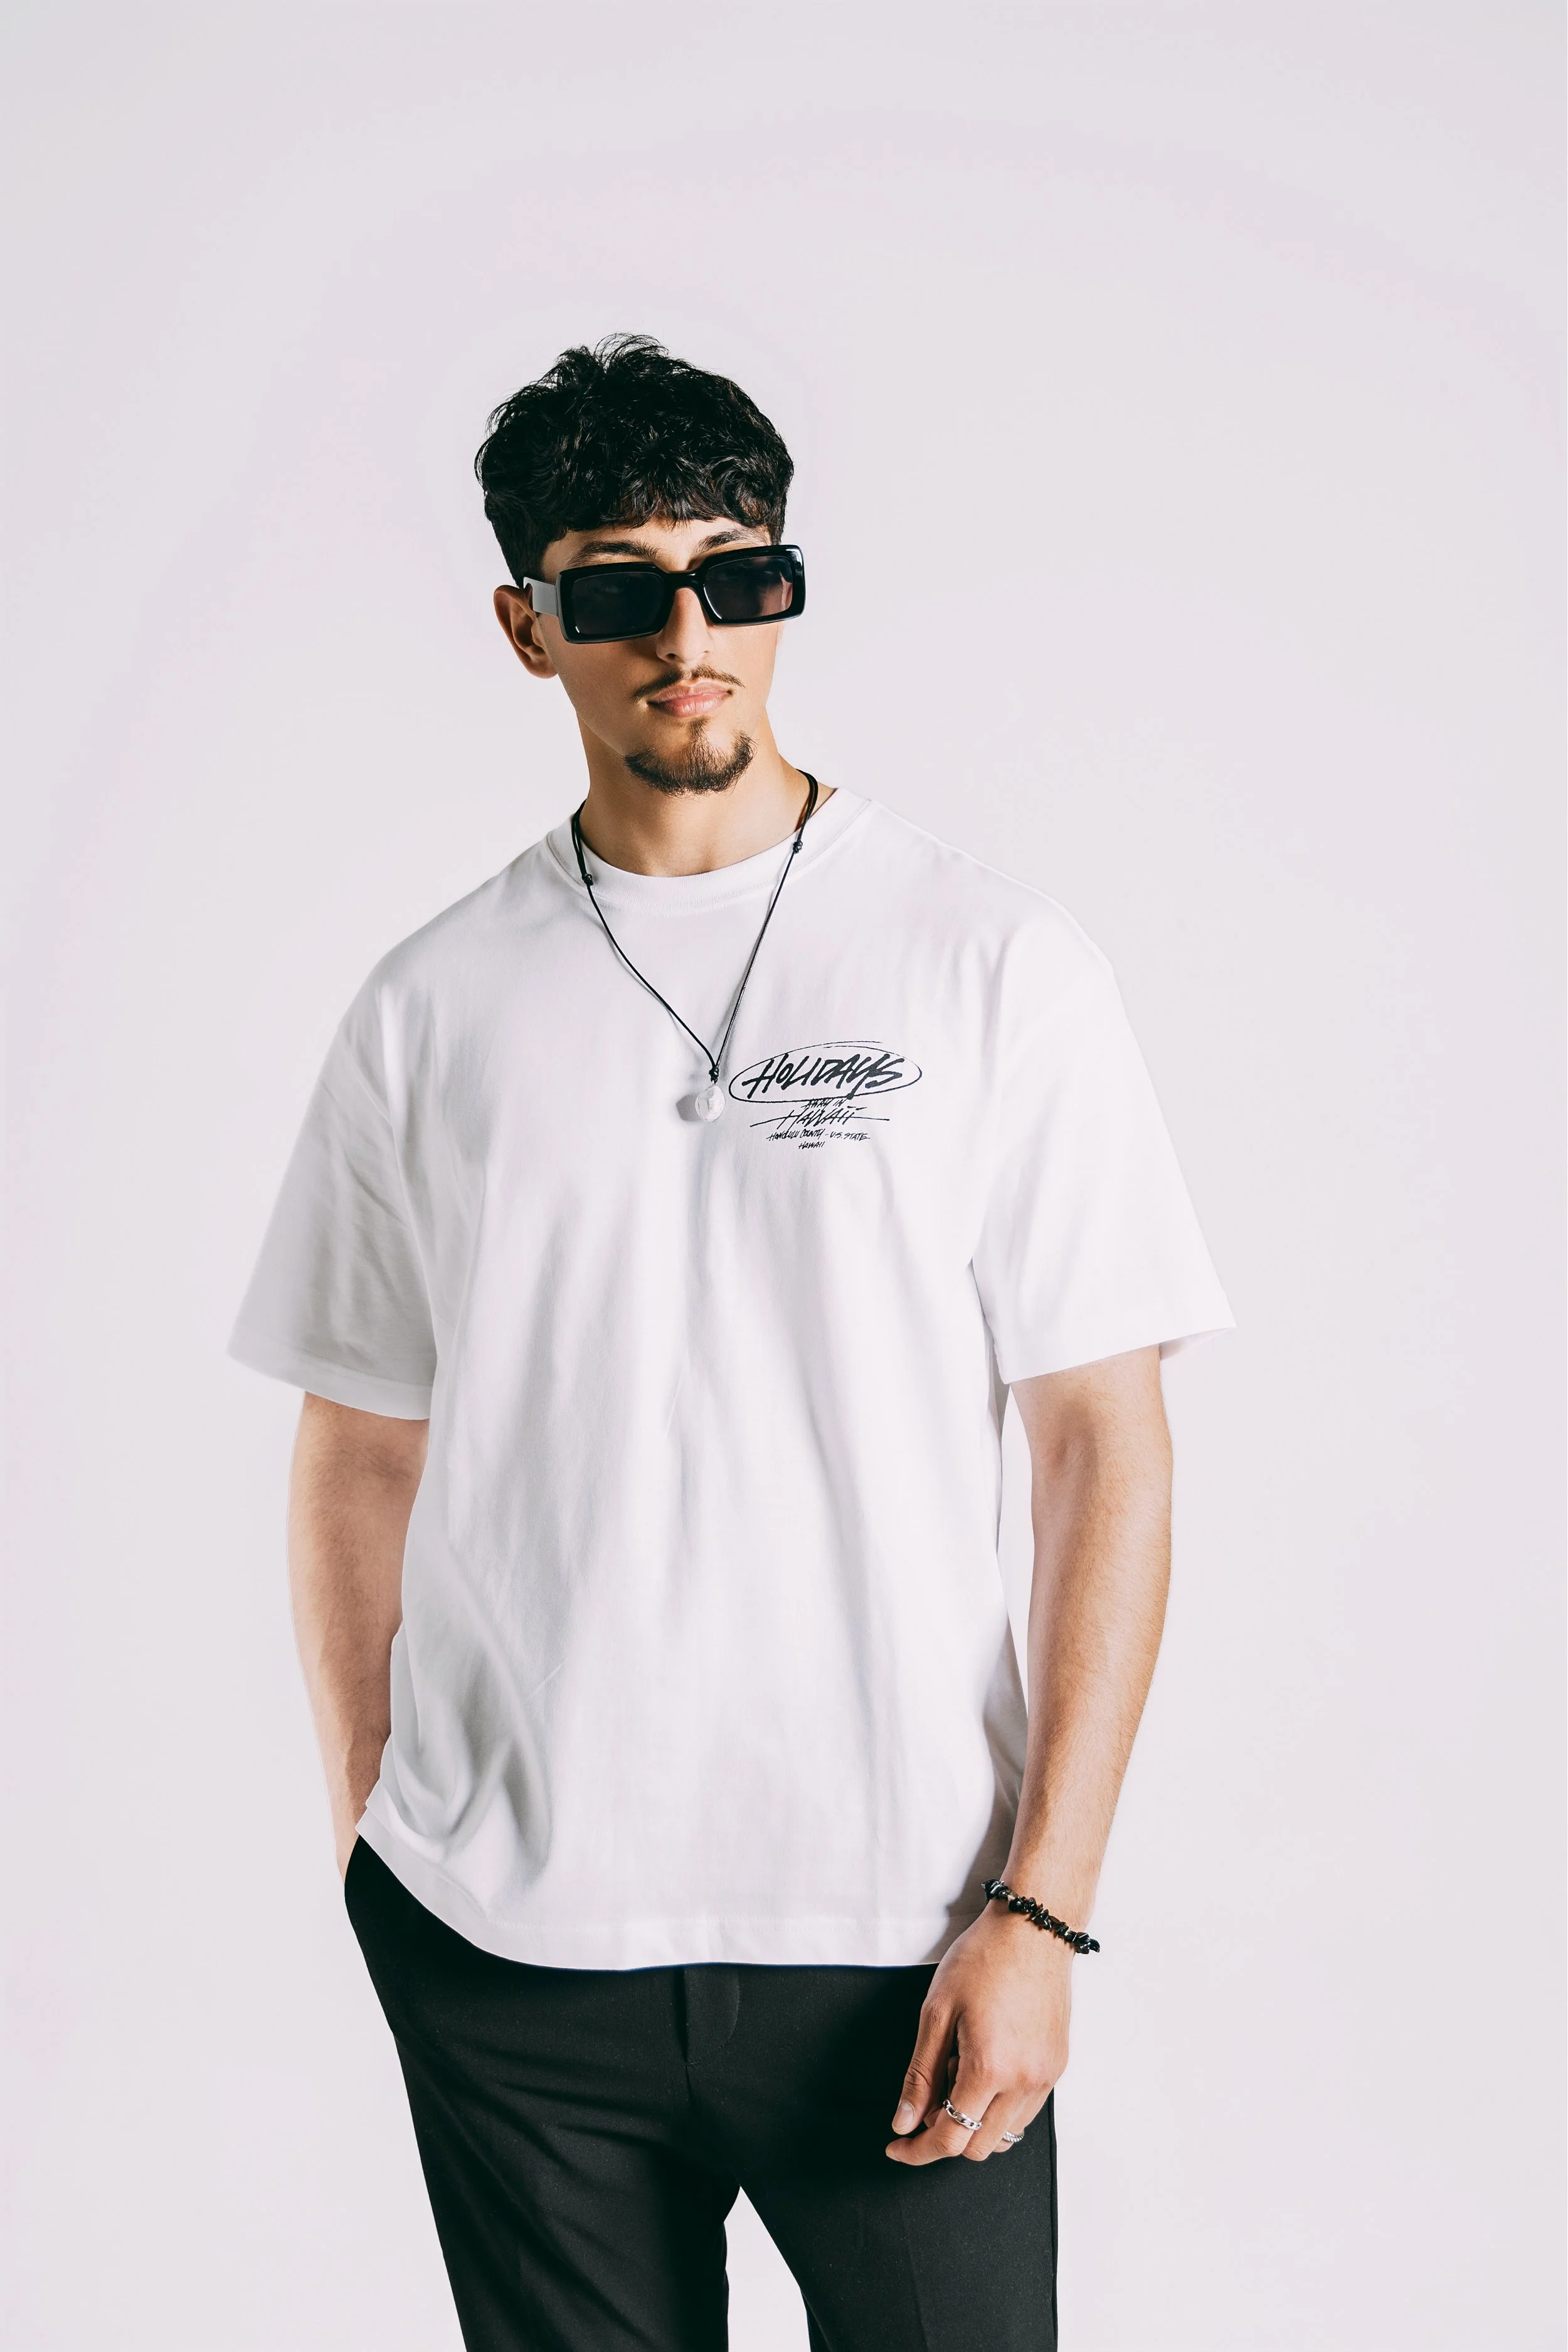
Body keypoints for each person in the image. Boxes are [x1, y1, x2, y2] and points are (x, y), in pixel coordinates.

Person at [229, 333, 1233, 2352]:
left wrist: (1041, 1906)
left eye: (738, 574)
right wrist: (375, 1826)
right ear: (530, 627)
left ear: (785, 591)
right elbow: (360, 1436)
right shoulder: (433, 1004)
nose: (688, 634)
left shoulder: (988, 962)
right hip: (510, 1946)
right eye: (616, 586)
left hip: (902, 1936)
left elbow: (1100, 1442)